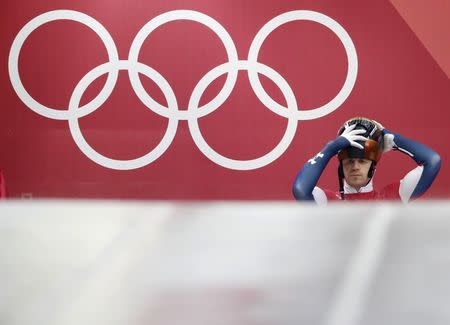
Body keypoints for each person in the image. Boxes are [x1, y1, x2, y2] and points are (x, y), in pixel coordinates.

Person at [292, 117, 441, 203]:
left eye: (362, 161)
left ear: (373, 165)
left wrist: (395, 140)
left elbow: (432, 161)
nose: (355, 167)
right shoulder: (327, 200)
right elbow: (300, 190)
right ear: (341, 166)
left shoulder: (394, 196)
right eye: (349, 161)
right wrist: (331, 148)